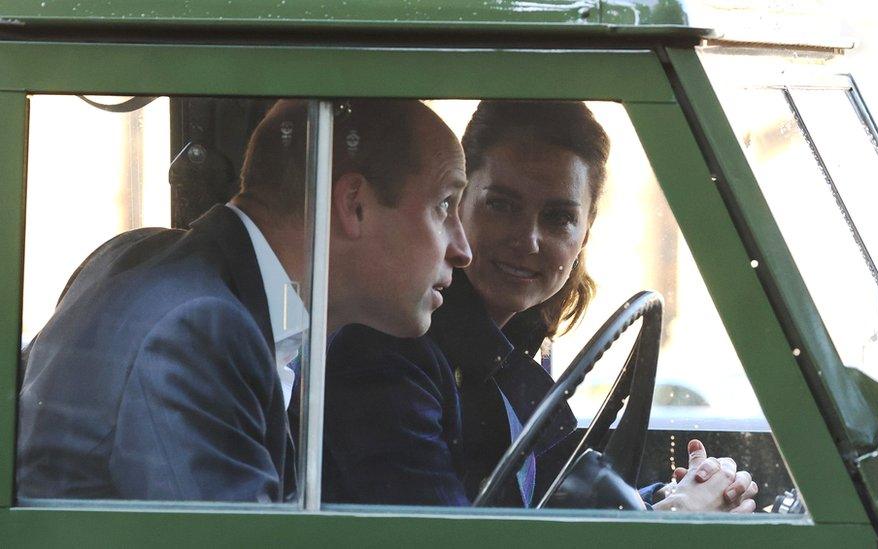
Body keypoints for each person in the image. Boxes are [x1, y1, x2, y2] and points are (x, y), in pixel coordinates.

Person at [17, 98, 471, 502]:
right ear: (353, 205)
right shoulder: (199, 331)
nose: (462, 249)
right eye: (445, 205)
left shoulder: (144, 257)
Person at [325, 100, 758, 512]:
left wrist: (670, 496)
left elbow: (545, 500)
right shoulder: (388, 358)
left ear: (584, 234)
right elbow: (448, 539)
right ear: (456, 205)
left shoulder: (519, 346)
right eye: (501, 205)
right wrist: (669, 521)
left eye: (558, 218)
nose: (528, 240)